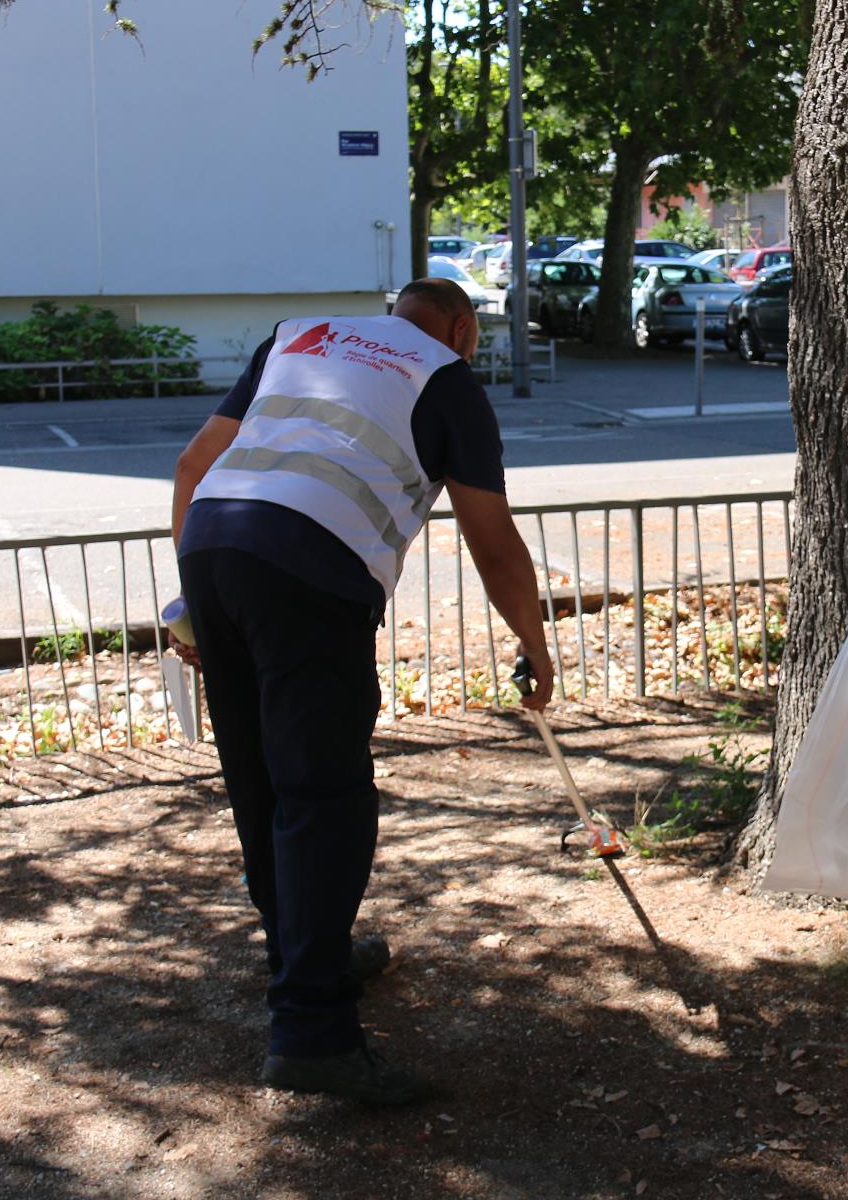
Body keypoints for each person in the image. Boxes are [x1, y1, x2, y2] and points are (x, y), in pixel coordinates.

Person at [169, 278, 555, 1105]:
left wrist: (188, 605)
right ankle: (311, 1033)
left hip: (213, 544)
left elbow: (193, 464)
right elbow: (492, 539)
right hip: (312, 569)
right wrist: (534, 643)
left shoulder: (297, 336)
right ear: (462, 329)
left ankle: (309, 953)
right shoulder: (447, 378)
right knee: (324, 796)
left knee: (261, 783)